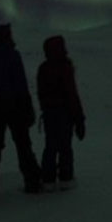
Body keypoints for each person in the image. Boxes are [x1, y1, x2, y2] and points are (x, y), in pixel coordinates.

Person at [0, 23, 42, 197]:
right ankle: (33, 180)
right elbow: (20, 84)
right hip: (15, 106)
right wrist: (27, 106)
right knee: (23, 144)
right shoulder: (13, 56)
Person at [37, 35, 85, 191]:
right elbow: (71, 94)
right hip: (64, 113)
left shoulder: (43, 68)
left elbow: (41, 94)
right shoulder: (65, 67)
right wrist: (79, 118)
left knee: (50, 145)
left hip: (50, 114)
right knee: (65, 146)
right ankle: (66, 178)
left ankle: (48, 179)